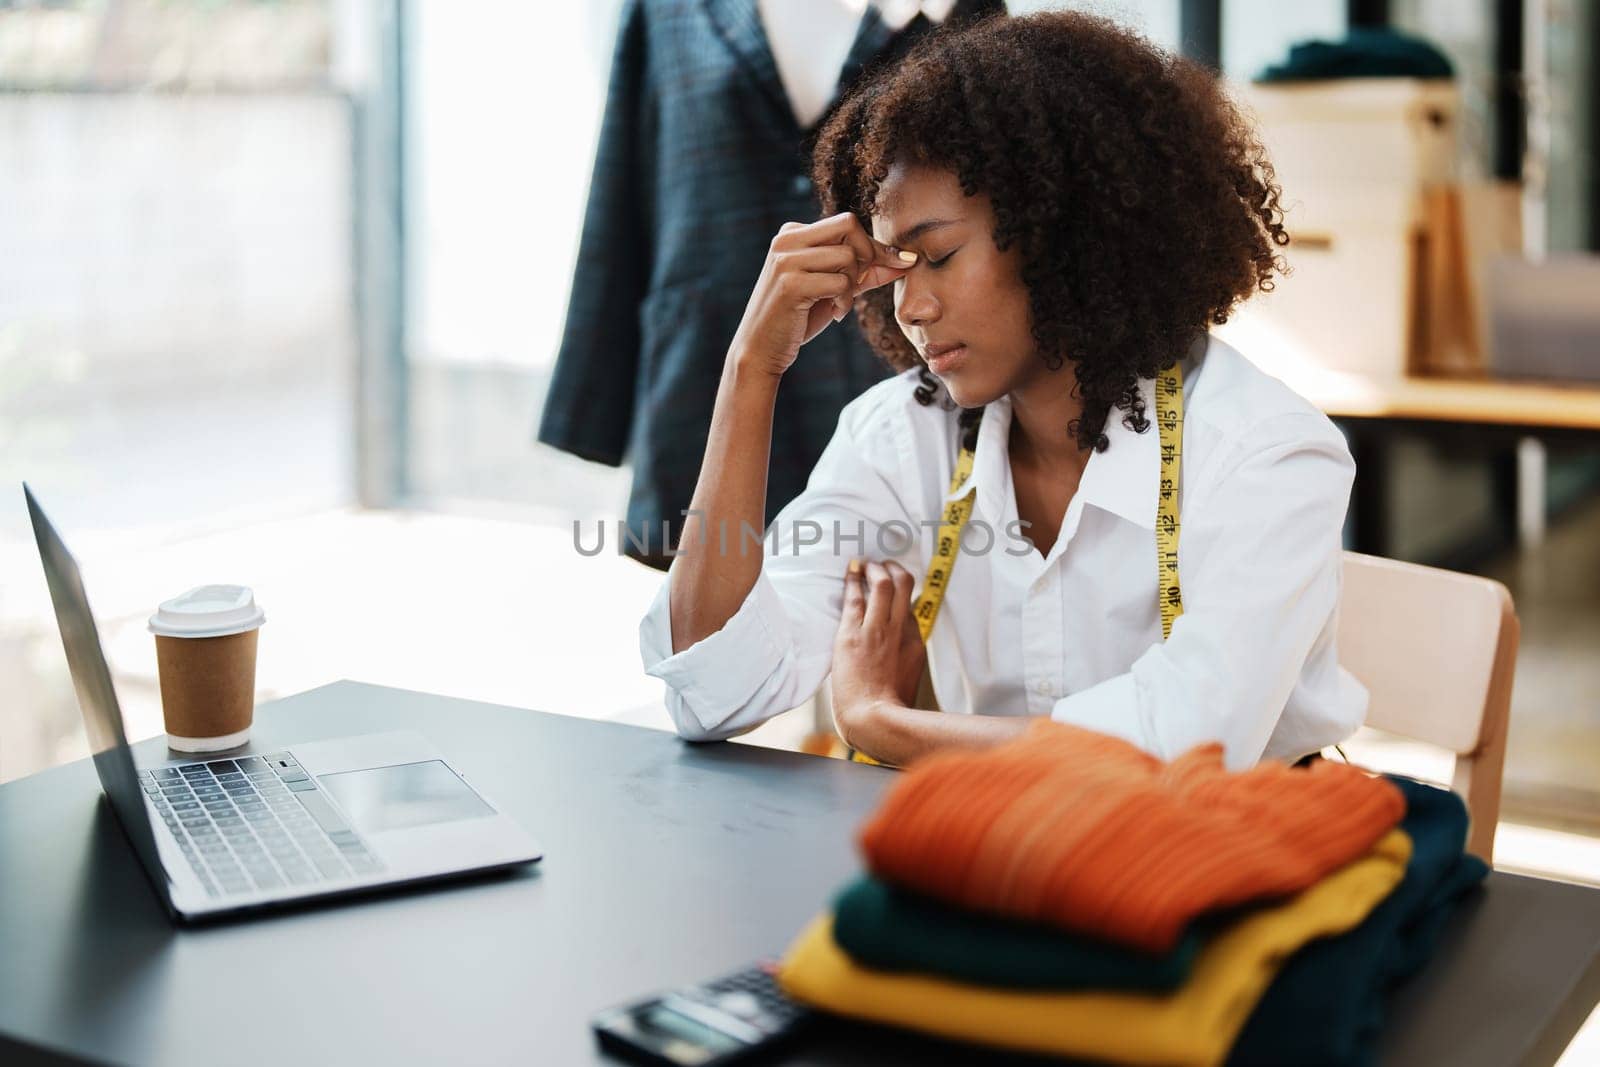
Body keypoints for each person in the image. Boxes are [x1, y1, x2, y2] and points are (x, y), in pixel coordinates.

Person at [637, 9, 1367, 770]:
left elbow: (1181, 748)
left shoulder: (1268, 455)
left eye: (941, 255)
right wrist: (751, 371)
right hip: (1003, 859)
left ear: (1063, 231)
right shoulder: (900, 439)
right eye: (895, 269)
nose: (909, 309)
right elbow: (713, 694)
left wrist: (883, 724)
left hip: (1238, 863)